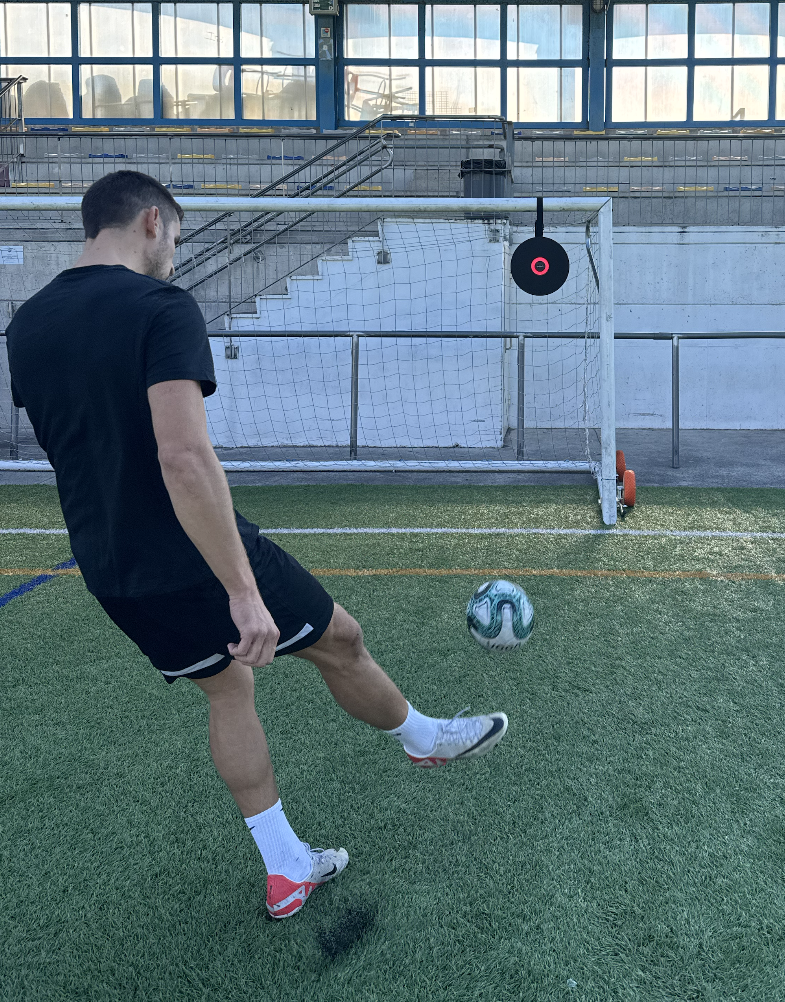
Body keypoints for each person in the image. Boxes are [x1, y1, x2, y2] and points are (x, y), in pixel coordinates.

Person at [5, 170, 508, 920]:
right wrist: (241, 590)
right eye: (176, 237)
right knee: (341, 640)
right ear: (151, 222)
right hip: (194, 552)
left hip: (109, 565)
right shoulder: (159, 307)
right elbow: (183, 456)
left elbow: (75, 443)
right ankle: (424, 737)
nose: (175, 254)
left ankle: (285, 866)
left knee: (226, 688)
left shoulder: (28, 324)